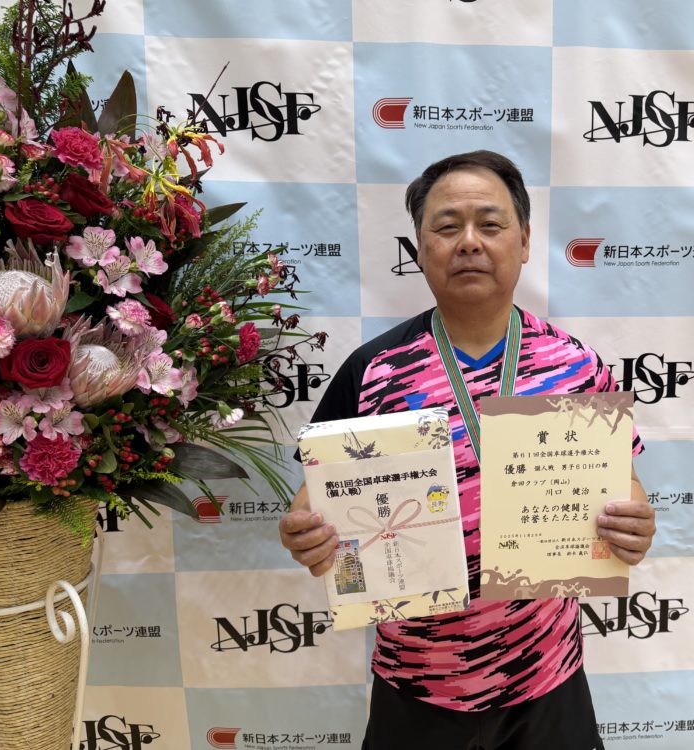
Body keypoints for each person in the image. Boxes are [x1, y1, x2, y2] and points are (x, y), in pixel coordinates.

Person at [279, 150, 656, 750]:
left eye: (491, 223)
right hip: (415, 684)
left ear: (524, 241)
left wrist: (633, 524)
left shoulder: (576, 367)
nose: (470, 242)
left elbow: (624, 487)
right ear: (419, 249)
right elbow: (314, 505)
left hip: (547, 676)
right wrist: (307, 536)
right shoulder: (371, 371)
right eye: (448, 226)